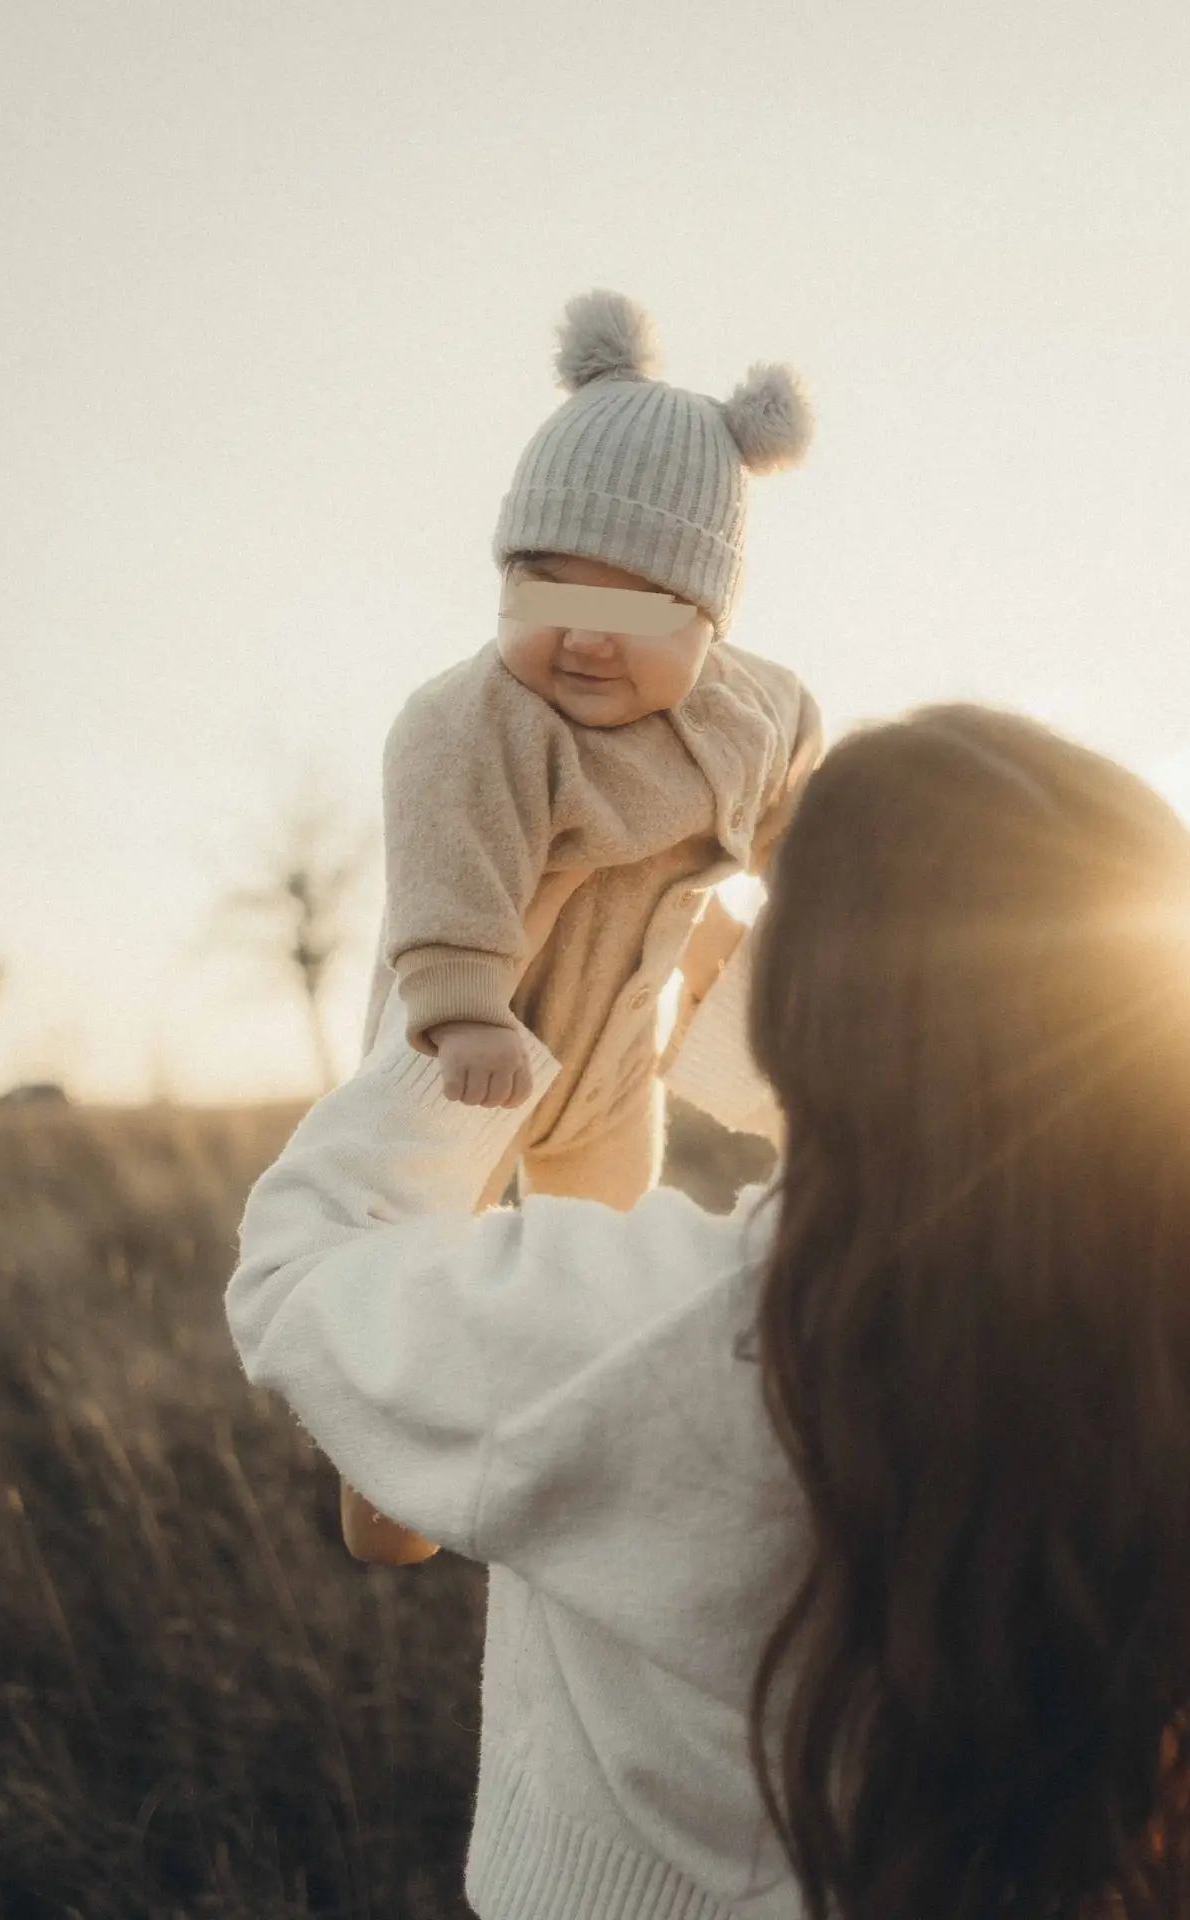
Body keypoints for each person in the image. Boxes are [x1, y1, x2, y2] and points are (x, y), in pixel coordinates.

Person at [226, 703, 1190, 1920]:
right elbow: (977, 1157)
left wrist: (461, 996)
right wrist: (697, 981)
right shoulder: (1163, 1330)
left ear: (818, 1001)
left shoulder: (654, 1327)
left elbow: (304, 1266)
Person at [343, 287, 820, 1563]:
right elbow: (448, 868)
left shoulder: (748, 716)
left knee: (596, 1268)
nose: (586, 640)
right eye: (546, 589)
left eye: (641, 610)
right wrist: (460, 1010)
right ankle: (389, 1494)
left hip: (609, 1073)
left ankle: (567, 1440)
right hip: (462, 1059)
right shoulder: (476, 723)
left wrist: (816, 900)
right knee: (418, 1289)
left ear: (709, 622)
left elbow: (798, 812)